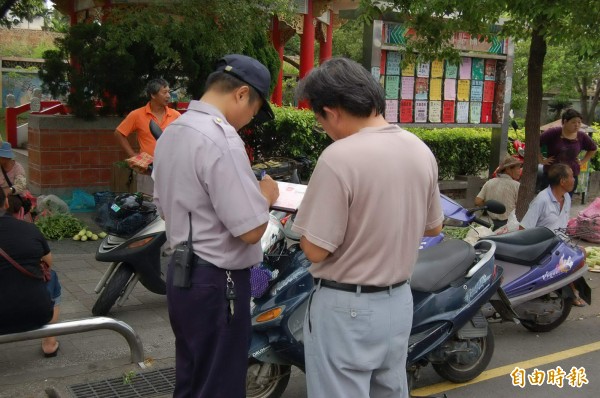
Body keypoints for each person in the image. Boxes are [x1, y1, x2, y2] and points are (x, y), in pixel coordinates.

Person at [292, 57, 444, 398]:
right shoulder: (419, 150)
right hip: (399, 302)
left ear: (330, 111)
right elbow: (434, 228)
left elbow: (316, 248)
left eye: (320, 121)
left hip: (346, 308)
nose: (325, 130)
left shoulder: (338, 157)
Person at [152, 54, 279, 397]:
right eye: (254, 109)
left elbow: (163, 206)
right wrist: (265, 194)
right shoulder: (221, 138)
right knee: (219, 385)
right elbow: (251, 230)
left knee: (192, 381)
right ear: (241, 94)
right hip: (217, 282)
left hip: (182, 277)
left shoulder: (171, 132)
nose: (250, 119)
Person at [0, 187, 62, 356]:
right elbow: (48, 262)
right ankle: (49, 342)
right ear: (6, 203)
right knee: (53, 277)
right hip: (37, 313)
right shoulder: (29, 229)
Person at [520, 163, 586, 307]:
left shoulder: (566, 198)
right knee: (571, 259)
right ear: (562, 181)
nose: (574, 180)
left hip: (560, 244)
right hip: (544, 248)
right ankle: (572, 293)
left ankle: (570, 290)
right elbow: (523, 229)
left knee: (581, 254)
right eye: (571, 177)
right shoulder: (542, 200)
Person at [114, 78, 181, 195]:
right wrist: (133, 155)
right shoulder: (137, 114)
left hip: (171, 170)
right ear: (153, 95)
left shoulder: (176, 115)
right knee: (148, 206)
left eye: (168, 92)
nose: (168, 96)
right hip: (148, 171)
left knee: (170, 208)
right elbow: (119, 133)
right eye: (164, 92)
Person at [539, 108, 597, 196]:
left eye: (579, 122)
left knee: (565, 203)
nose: (577, 125)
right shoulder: (554, 132)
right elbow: (535, 143)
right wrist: (541, 160)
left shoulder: (581, 136)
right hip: (552, 175)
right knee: (549, 202)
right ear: (565, 122)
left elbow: (593, 148)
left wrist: (582, 161)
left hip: (571, 176)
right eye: (573, 122)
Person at [475, 156, 521, 230]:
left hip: (491, 223)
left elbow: (478, 201)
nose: (520, 171)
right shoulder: (516, 185)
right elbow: (521, 207)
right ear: (508, 169)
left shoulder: (489, 182)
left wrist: (490, 209)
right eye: (518, 168)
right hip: (509, 225)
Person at [0, 141, 31, 220]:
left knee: (7, 202)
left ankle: (6, 222)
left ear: (6, 158)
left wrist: (9, 190)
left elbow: (21, 185)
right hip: (1, 196)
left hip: (15, 197)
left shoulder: (18, 168)